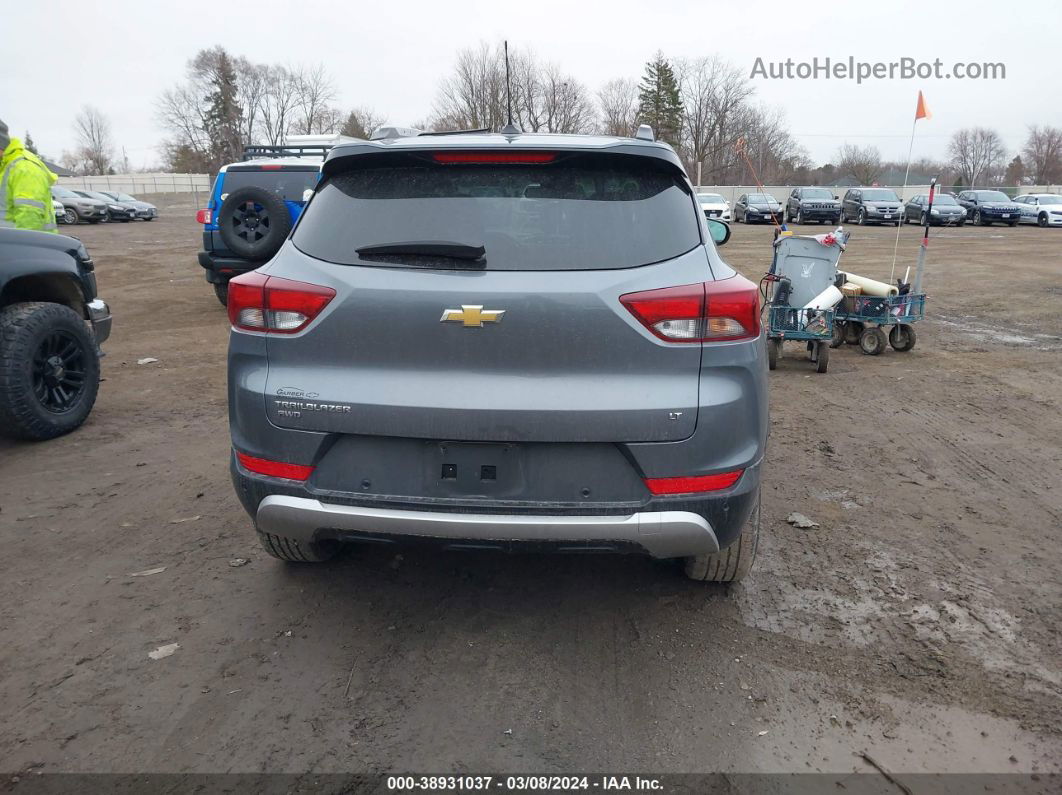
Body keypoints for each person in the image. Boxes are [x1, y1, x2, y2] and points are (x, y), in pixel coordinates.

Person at [0, 118, 58, 232]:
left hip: (19, 246)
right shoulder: (4, 166)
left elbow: (29, 217)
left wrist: (19, 247)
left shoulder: (24, 168)